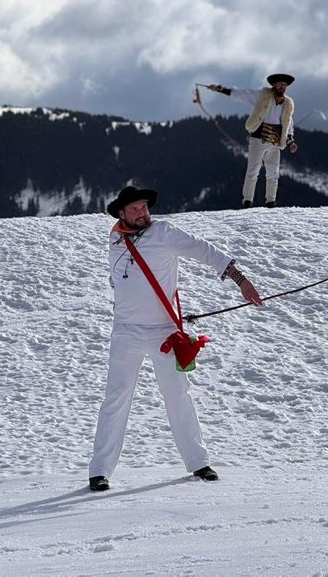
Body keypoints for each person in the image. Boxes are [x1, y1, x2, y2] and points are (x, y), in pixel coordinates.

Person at [88, 185, 263, 492]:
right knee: (115, 399)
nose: (142, 213)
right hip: (125, 331)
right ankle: (99, 471)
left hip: (163, 332)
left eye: (144, 207)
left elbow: (205, 251)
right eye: (135, 209)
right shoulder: (115, 239)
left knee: (178, 397)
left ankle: (199, 463)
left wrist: (242, 281)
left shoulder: (164, 233)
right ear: (120, 214)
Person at [207, 74, 298, 208]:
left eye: (285, 85)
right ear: (274, 85)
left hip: (275, 141)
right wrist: (221, 89)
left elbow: (288, 123)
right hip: (258, 138)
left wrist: (290, 141)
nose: (282, 87)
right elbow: (242, 94)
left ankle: (271, 202)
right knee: (253, 170)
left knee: (273, 172)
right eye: (280, 84)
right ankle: (247, 201)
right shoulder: (263, 96)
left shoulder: (288, 104)